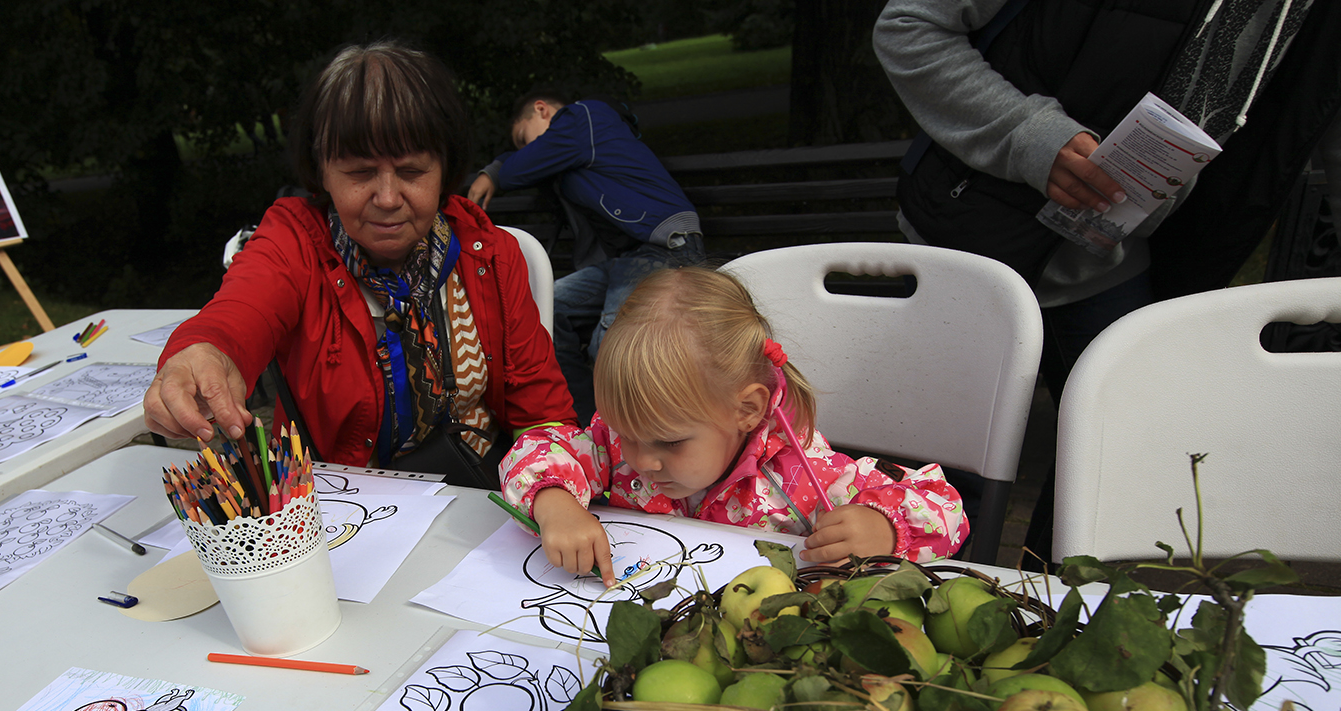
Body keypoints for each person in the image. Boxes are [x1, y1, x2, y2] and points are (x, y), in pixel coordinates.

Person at [873, 0, 1341, 558]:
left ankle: (1050, 617)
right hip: (971, 244)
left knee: (1115, 485)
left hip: (1121, 261)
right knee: (938, 493)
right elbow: (908, 25)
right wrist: (1031, 137)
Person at [143, 42, 576, 476]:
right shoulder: (294, 241)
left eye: (411, 172)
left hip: (481, 499)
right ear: (321, 172)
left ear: (445, 169)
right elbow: (240, 310)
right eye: (359, 173)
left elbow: (543, 414)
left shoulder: (489, 252)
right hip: (350, 516)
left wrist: (551, 484)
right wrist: (205, 352)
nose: (387, 199)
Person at [498, 268, 969, 578]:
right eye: (626, 433)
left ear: (747, 410)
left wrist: (882, 528)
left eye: (668, 441)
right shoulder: (617, 450)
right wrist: (556, 503)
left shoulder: (804, 476)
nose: (640, 459)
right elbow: (541, 447)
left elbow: (944, 506)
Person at [467, 92, 703, 424]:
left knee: (609, 345)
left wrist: (494, 172)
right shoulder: (570, 145)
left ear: (542, 109)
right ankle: (584, 426)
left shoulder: (584, 118)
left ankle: (623, 434)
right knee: (550, 309)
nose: (525, 150)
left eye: (524, 138)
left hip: (664, 245)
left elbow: (530, 160)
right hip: (626, 259)